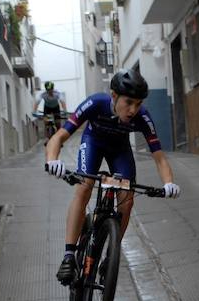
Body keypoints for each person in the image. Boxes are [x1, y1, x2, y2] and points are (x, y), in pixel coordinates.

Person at [44, 69, 181, 285]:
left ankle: (111, 255)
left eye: (138, 104)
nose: (133, 110)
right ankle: (69, 256)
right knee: (84, 185)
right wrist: (53, 160)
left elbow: (160, 158)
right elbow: (59, 136)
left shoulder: (142, 116)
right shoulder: (95, 103)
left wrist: (169, 183)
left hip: (120, 150)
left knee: (127, 197)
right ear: (114, 96)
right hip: (93, 143)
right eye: (129, 102)